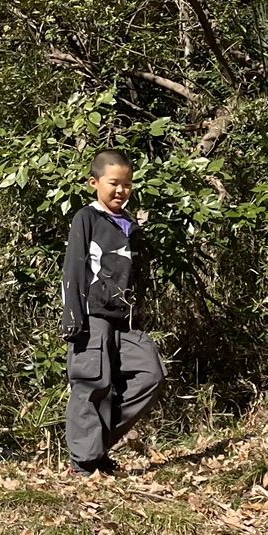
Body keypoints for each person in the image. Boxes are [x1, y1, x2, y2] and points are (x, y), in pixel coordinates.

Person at [60, 148, 164, 476]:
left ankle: (96, 446)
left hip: (126, 319)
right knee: (93, 384)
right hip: (92, 315)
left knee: (151, 375)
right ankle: (84, 463)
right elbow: (73, 267)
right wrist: (72, 315)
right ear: (95, 183)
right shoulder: (87, 217)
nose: (121, 190)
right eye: (113, 183)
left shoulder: (131, 224)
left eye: (127, 184)